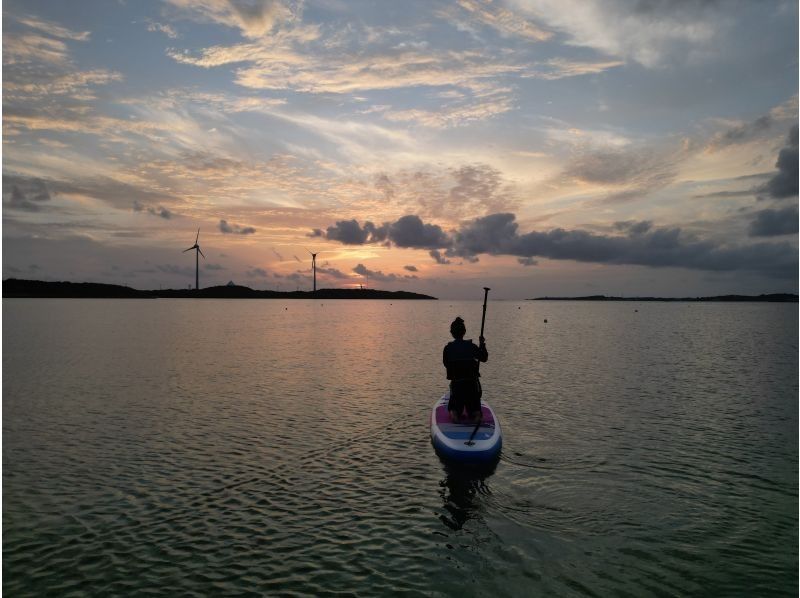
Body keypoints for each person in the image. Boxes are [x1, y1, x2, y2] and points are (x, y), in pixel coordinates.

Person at [443, 316, 488, 423]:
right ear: (464, 332)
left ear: (452, 333)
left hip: (457, 385)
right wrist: (482, 345)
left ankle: (455, 415)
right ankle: (477, 415)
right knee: (475, 410)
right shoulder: (472, 346)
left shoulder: (448, 348)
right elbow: (484, 358)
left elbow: (446, 364)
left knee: (454, 409)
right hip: (471, 385)